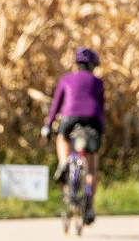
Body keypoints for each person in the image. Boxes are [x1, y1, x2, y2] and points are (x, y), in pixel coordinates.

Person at [41, 47, 105, 225]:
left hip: (69, 119)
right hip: (92, 121)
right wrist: (100, 130)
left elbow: (56, 105)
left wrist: (48, 125)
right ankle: (89, 206)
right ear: (92, 66)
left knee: (62, 138)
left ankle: (64, 164)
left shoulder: (66, 79)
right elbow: (101, 108)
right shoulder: (97, 82)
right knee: (91, 169)